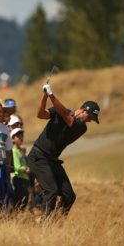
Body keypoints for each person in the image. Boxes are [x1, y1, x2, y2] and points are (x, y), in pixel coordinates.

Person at [26, 83, 100, 216]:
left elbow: (68, 118)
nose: (89, 121)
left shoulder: (81, 127)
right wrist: (44, 96)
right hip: (38, 156)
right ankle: (45, 224)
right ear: (83, 110)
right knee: (51, 190)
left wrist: (51, 95)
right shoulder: (59, 112)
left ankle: (57, 221)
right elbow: (40, 114)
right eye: (89, 117)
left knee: (69, 196)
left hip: (52, 161)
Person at [11, 128, 30, 210]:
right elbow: (16, 167)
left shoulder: (21, 151)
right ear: (13, 138)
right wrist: (25, 169)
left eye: (21, 136)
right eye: (18, 137)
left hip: (25, 178)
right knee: (19, 202)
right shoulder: (14, 151)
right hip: (19, 178)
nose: (21, 138)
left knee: (24, 201)